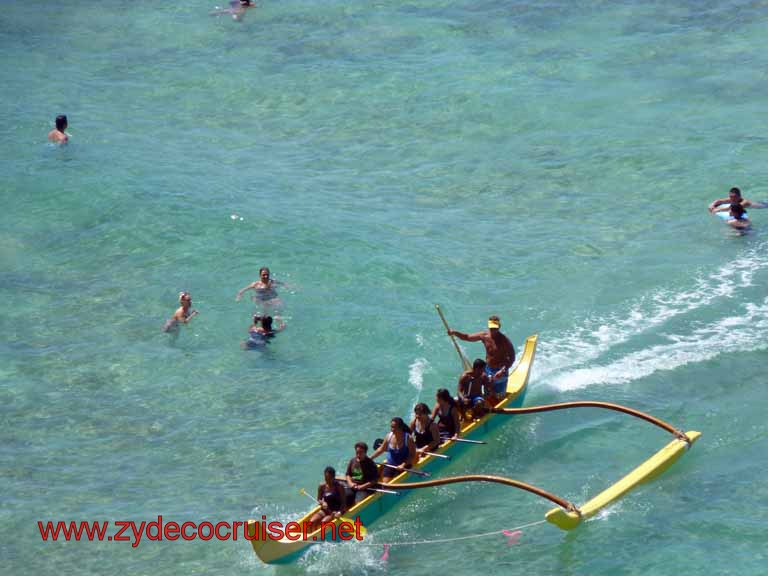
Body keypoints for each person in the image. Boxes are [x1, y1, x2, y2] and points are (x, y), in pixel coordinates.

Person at [448, 315, 516, 396]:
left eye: (495, 328)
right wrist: (454, 333)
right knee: (487, 392)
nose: (493, 330)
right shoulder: (484, 336)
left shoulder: (505, 341)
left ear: (499, 327)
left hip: (500, 371)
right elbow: (467, 337)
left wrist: (503, 370)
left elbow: (512, 357)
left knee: (499, 396)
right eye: (491, 328)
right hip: (487, 369)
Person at [308, 466, 347, 531]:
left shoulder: (339, 486)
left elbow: (344, 503)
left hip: (334, 511)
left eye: (329, 478)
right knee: (311, 522)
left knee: (323, 522)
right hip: (325, 510)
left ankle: (319, 535)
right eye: (326, 478)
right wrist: (322, 502)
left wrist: (339, 512)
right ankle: (312, 536)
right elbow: (319, 500)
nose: (327, 480)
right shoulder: (321, 486)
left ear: (333, 477)